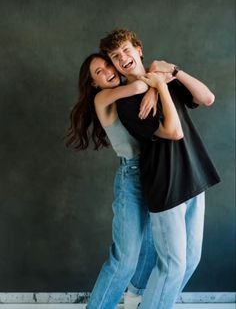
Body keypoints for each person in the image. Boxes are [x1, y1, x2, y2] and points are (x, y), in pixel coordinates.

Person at [99, 28, 221, 309]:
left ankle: (142, 301)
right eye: (115, 57)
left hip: (193, 174)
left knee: (191, 260)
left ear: (138, 50)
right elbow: (173, 132)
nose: (122, 58)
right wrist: (159, 86)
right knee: (172, 265)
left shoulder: (163, 75)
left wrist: (173, 72)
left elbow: (207, 98)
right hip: (164, 183)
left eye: (126, 50)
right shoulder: (126, 102)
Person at [65, 52, 183, 309]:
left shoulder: (128, 93)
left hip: (155, 171)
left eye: (107, 64)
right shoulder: (103, 98)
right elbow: (142, 83)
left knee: (153, 249)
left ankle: (135, 299)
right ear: (94, 83)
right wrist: (152, 86)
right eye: (99, 72)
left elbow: (157, 77)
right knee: (125, 258)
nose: (108, 70)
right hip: (132, 177)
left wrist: (154, 86)